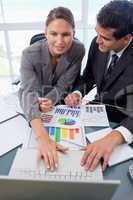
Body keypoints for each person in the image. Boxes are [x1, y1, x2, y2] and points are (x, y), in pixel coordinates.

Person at [65, 0, 133, 172]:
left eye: (105, 38)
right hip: (96, 112)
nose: (97, 41)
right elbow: (88, 78)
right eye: (97, 33)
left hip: (125, 122)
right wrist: (78, 93)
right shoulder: (98, 44)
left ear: (127, 38)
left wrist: (115, 137)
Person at [19, 7, 85, 171]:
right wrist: (43, 137)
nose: (60, 41)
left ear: (74, 33)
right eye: (54, 33)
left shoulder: (78, 50)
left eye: (66, 34)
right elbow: (28, 91)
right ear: (45, 32)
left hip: (58, 100)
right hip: (35, 97)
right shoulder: (28, 54)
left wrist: (49, 101)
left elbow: (64, 84)